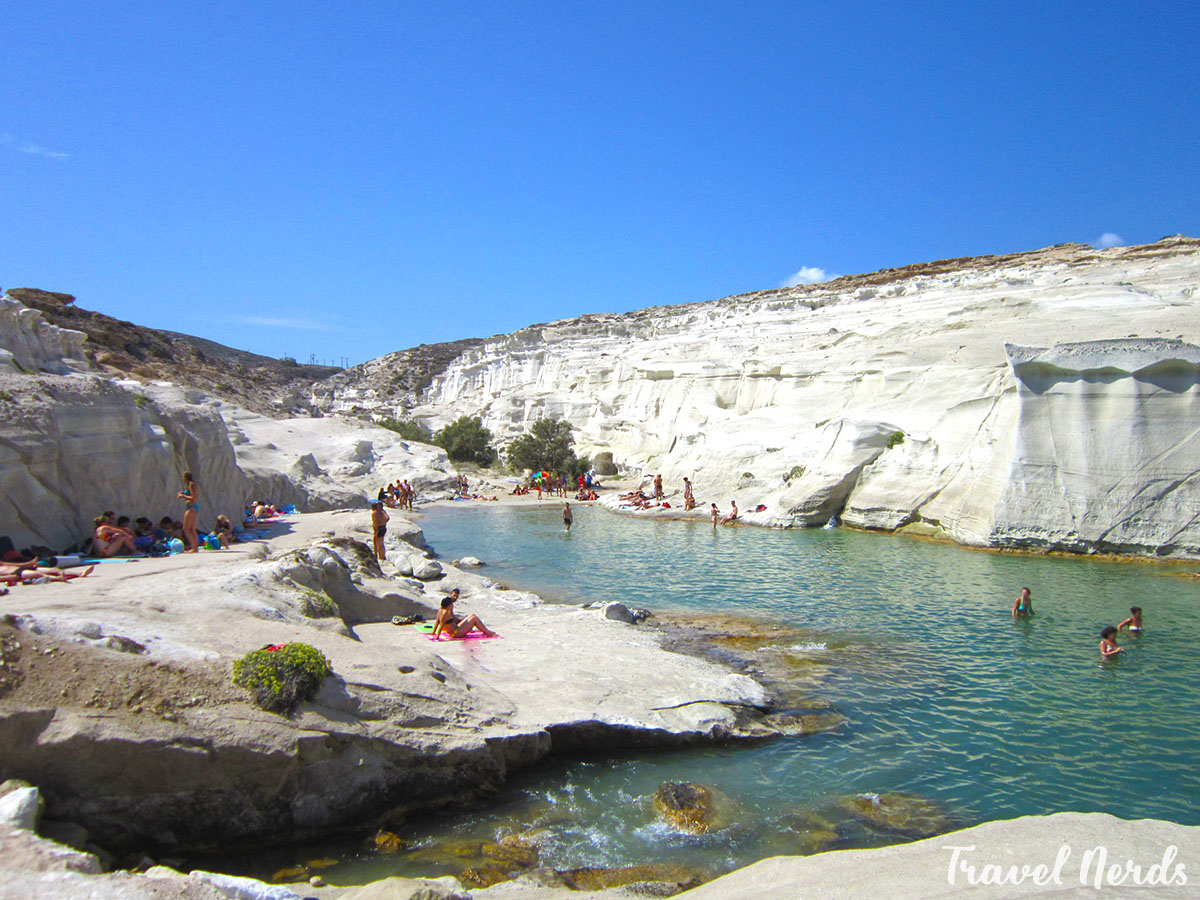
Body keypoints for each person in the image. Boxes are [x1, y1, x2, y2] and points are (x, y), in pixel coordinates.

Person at [178, 471, 200, 552]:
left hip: (191, 507)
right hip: (193, 507)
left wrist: (183, 496)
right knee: (192, 529)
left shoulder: (191, 484)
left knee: (186, 529)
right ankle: (195, 546)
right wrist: (184, 493)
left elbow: (193, 498)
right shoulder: (190, 485)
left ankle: (194, 547)